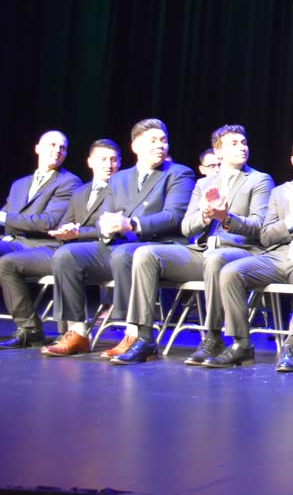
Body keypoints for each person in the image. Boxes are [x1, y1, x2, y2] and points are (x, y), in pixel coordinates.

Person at [113, 124, 274, 365]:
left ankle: (213, 337)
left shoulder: (259, 180)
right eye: (234, 144)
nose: (242, 147)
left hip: (241, 252)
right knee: (145, 253)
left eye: (244, 143)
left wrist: (227, 219)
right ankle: (144, 337)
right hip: (202, 251)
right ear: (218, 152)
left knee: (215, 259)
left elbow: (260, 227)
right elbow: (186, 227)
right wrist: (205, 217)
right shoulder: (204, 184)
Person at [44, 119, 195, 357]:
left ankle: (133, 334)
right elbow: (107, 215)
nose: (160, 145)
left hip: (158, 247)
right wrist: (105, 227)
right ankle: (77, 332)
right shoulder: (119, 179)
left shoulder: (178, 174)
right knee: (67, 255)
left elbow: (174, 216)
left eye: (163, 140)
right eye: (152, 141)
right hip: (120, 246)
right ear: (135, 146)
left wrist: (132, 223)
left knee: (125, 254)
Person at [206, 137, 293, 372]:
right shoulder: (280, 192)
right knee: (230, 272)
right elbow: (267, 237)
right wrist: (291, 220)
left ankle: (291, 345)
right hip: (277, 256)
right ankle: (241, 344)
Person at [0, 139, 118, 349]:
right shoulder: (81, 191)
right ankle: (30, 330)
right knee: (8, 264)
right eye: (102, 159)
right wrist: (64, 231)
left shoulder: (120, 189)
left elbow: (114, 227)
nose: (108, 165)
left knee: (65, 258)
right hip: (63, 247)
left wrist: (77, 233)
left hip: (98, 252)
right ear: (90, 162)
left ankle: (71, 333)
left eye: (113, 160)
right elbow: (65, 223)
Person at [0, 130, 81, 256]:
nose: (58, 150)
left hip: (39, 246)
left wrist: (4, 218)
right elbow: (7, 217)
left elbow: (48, 222)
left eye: (62, 148)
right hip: (12, 241)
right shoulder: (19, 184)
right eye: (52, 145)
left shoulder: (69, 182)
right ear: (37, 149)